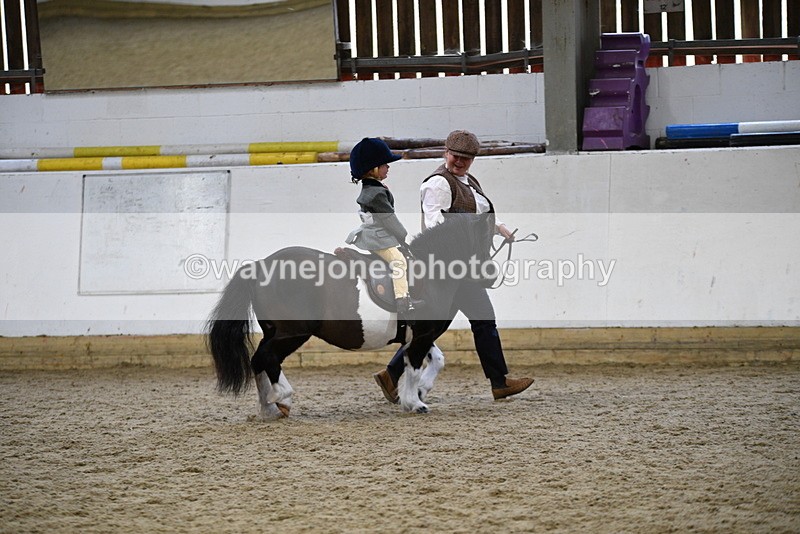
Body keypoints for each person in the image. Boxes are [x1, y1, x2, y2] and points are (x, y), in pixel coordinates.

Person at [373, 129, 534, 402]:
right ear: (446, 153)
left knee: (436, 328)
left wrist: (500, 229)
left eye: (466, 158)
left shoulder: (468, 181)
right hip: (446, 269)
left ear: (472, 160)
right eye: (455, 156)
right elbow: (437, 226)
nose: (459, 162)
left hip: (461, 266)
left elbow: (477, 215)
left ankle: (391, 374)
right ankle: (499, 382)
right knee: (480, 319)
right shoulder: (437, 185)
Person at [345, 137, 421, 318]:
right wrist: (403, 235)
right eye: (385, 164)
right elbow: (389, 220)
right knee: (399, 262)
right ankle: (403, 301)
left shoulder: (374, 188)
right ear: (374, 169)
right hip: (378, 238)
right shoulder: (376, 194)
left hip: (376, 234)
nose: (388, 167)